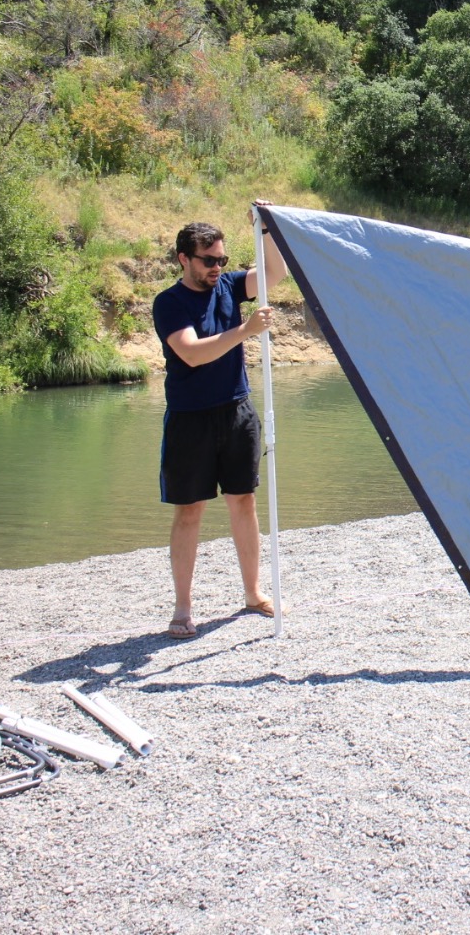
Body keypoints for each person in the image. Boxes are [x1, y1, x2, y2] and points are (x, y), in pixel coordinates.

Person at [153, 207, 287, 638]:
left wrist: (264, 227)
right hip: (190, 419)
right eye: (208, 260)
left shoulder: (230, 286)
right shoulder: (169, 303)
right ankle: (182, 608)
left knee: (243, 501)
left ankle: (253, 593)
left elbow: (274, 272)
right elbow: (192, 352)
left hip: (237, 412)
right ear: (183, 259)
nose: (217, 268)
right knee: (189, 510)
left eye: (222, 260)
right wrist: (246, 331)